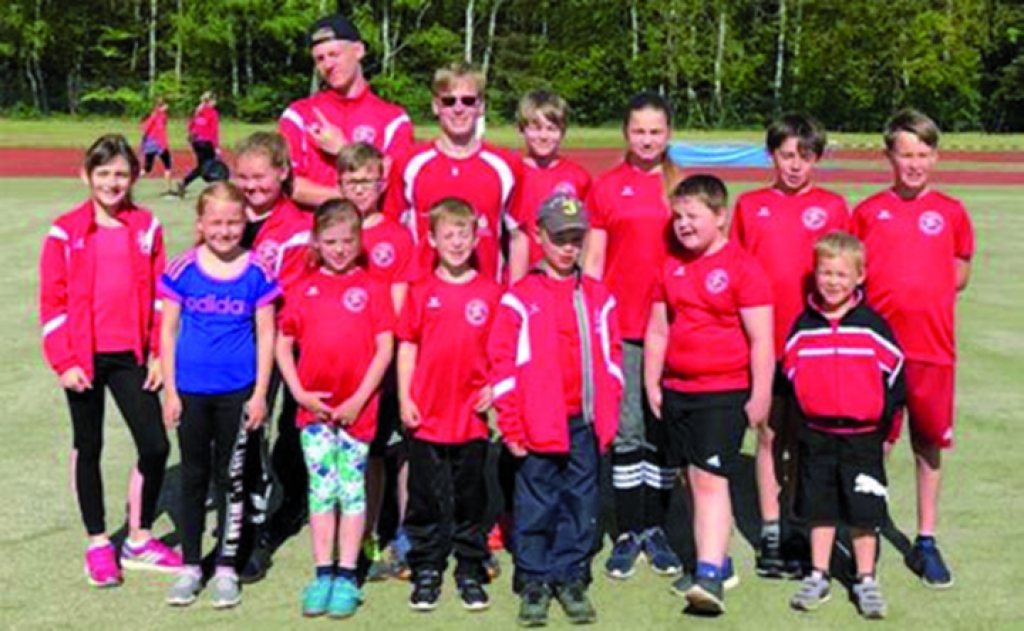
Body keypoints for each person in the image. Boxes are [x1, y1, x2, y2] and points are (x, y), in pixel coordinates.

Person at [39, 133, 179, 588]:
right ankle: (99, 542)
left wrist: (158, 352)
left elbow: (162, 297)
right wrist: (64, 362)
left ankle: (138, 539)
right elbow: (52, 304)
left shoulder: (147, 227)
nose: (112, 182)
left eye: (121, 173)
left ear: (134, 176)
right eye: (103, 173)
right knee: (90, 445)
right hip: (81, 358)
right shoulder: (65, 232)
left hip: (129, 356)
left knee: (155, 445)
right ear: (86, 175)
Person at [852, 108, 974, 589]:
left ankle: (925, 539)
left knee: (928, 445)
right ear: (889, 156)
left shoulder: (952, 212)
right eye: (905, 154)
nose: (914, 164)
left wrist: (931, 293)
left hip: (932, 350)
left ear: (935, 156)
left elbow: (960, 270)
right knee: (874, 443)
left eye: (923, 154)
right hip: (878, 354)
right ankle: (868, 527)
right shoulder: (867, 212)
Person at [489, 193, 623, 627]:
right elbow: (503, 365)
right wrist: (511, 424)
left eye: (575, 238)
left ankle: (570, 575)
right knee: (536, 503)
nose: (568, 247)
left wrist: (608, 410)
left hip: (584, 423)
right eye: (559, 238)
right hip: (536, 425)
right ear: (538, 236)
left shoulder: (599, 295)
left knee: (580, 502)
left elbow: (612, 357)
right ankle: (534, 577)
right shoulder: (520, 298)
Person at [644, 175, 773, 615]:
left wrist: (760, 395)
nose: (682, 224)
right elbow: (659, 329)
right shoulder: (670, 265)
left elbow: (761, 339)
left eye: (692, 216)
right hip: (678, 389)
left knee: (709, 479)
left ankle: (710, 576)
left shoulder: (744, 268)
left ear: (720, 218)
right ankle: (718, 556)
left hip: (724, 390)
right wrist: (651, 381)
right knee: (689, 478)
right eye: (677, 216)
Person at [730, 113, 850, 577]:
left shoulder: (835, 207)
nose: (795, 165)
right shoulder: (749, 205)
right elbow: (738, 272)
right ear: (771, 155)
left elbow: (844, 274)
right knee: (768, 436)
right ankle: (771, 530)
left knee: (803, 443)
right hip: (765, 345)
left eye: (805, 156)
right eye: (786, 155)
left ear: (817, 158)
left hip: (813, 346)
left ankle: (799, 522)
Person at [159, 182, 278, 608]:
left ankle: (226, 566)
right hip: (190, 392)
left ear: (244, 222)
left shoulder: (258, 270)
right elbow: (168, 332)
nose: (225, 231)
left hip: (238, 393)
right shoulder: (182, 270)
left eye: (233, 222)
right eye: (216, 222)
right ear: (201, 224)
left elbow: (266, 334)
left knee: (232, 480)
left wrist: (261, 393)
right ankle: (191, 565)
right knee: (193, 477)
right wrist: (170, 392)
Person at [276, 200, 395, 618]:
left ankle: (347, 574)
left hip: (357, 413)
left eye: (348, 240)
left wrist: (359, 398)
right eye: (330, 241)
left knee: (352, 492)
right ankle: (323, 572)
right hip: (315, 415)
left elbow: (384, 349)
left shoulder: (373, 287)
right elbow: (282, 344)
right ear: (316, 243)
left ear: (360, 241)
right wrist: (300, 394)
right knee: (322, 493)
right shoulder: (303, 288)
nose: (340, 249)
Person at [583, 92, 682, 579]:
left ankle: (656, 529)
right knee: (626, 433)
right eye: (639, 131)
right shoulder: (605, 188)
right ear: (626, 133)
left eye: (656, 131)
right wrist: (593, 326)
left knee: (660, 432)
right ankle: (627, 531)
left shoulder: (681, 186)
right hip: (622, 329)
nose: (647, 140)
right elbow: (594, 263)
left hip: (674, 330)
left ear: (668, 135)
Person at [784, 231, 905, 620]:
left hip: (862, 438)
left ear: (859, 277)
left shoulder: (872, 327)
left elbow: (896, 380)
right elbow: (788, 373)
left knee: (863, 512)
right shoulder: (803, 327)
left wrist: (888, 430)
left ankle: (865, 577)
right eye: (825, 273)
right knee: (820, 509)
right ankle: (818, 573)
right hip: (816, 434)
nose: (832, 281)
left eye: (840, 274)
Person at [398, 198, 502, 612]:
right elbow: (407, 344)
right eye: (448, 235)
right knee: (425, 495)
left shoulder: (491, 292)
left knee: (470, 495)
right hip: (426, 413)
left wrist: (495, 385)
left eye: (464, 234)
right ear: (432, 239)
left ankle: (469, 567)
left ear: (476, 237)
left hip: (470, 417)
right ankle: (426, 566)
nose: (457, 243)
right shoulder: (421, 290)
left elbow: (502, 349)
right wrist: (405, 395)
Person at [231, 132, 315, 582]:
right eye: (242, 176)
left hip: (285, 338)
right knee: (245, 429)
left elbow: (292, 295)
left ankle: (282, 511)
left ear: (283, 174)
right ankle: (244, 517)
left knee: (288, 424)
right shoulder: (226, 214)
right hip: (234, 342)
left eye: (260, 176)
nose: (251, 185)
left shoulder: (297, 225)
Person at [337, 142, 417, 580]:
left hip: (385, 365)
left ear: (382, 182)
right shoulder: (332, 229)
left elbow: (401, 306)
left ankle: (403, 533)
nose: (359, 188)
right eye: (350, 180)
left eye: (366, 180)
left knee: (398, 448)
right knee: (363, 454)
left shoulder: (396, 236)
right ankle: (363, 531)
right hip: (345, 366)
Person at [385, 61, 527, 284]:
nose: (458, 109)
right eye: (449, 101)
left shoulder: (506, 165)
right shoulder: (409, 163)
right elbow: (392, 230)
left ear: (481, 107)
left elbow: (519, 236)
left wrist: (515, 295)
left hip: (487, 299)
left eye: (468, 101)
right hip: (423, 298)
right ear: (435, 106)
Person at [280, 14, 414, 208]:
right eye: (320, 59)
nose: (328, 65)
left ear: (358, 50)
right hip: (312, 229)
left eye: (334, 54)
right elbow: (290, 185)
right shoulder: (298, 115)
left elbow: (392, 185)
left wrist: (344, 150)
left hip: (367, 231)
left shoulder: (393, 120)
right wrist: (353, 197)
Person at [508, 90, 592, 282]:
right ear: (522, 129)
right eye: (536, 128)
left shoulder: (578, 177)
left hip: (563, 277)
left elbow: (587, 234)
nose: (544, 136)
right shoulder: (510, 172)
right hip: (518, 275)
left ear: (562, 132)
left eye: (551, 128)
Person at [178, 91, 221, 197]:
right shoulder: (212, 112)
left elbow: (191, 126)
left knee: (202, 166)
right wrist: (216, 146)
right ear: (211, 101)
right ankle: (216, 189)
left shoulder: (198, 111)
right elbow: (213, 131)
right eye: (214, 100)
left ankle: (184, 182)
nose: (215, 103)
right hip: (206, 142)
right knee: (213, 164)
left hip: (196, 142)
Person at [140, 96, 175, 196]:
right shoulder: (157, 115)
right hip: (158, 144)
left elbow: (146, 129)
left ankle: (169, 188)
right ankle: (168, 189)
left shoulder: (158, 115)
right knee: (167, 165)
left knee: (148, 168)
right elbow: (148, 128)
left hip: (151, 143)